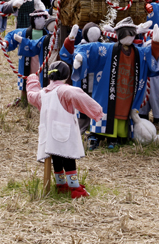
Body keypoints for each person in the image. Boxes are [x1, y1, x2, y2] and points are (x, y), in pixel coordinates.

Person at [70, 17, 159, 149]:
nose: (128, 37)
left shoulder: (139, 51)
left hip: (127, 88)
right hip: (108, 87)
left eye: (131, 33)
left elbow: (151, 57)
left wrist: (156, 43)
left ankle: (116, 138)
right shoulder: (108, 49)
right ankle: (96, 136)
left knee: (122, 110)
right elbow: (91, 49)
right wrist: (81, 58)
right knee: (104, 109)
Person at [26, 61, 103, 198]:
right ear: (66, 75)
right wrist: (97, 112)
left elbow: (31, 95)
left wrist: (32, 80)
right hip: (64, 130)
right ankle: (75, 188)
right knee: (68, 157)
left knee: (56, 156)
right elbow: (82, 98)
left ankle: (61, 184)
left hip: (49, 133)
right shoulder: (65, 90)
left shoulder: (43, 93)